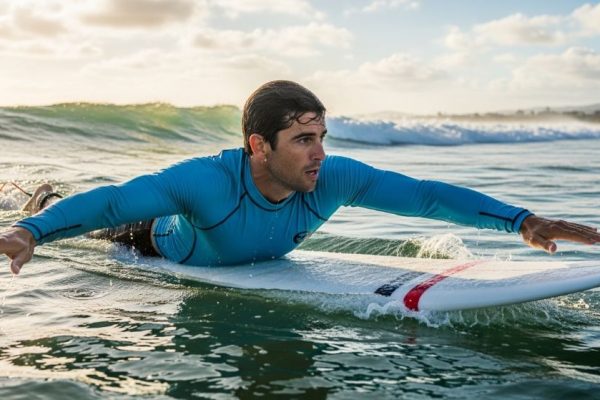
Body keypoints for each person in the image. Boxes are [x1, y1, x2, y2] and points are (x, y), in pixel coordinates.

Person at [1, 80, 599, 276]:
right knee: (108, 227)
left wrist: (523, 220)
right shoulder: (205, 181)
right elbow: (114, 201)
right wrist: (31, 233)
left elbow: (424, 196)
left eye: (322, 138)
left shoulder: (334, 177)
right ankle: (44, 200)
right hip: (148, 238)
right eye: (303, 140)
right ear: (259, 146)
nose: (318, 154)